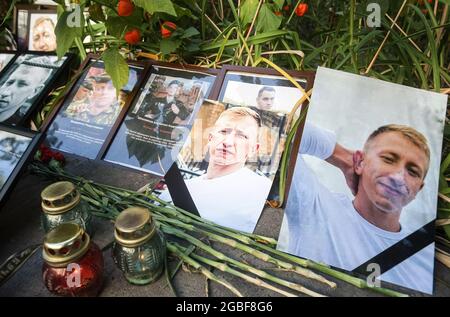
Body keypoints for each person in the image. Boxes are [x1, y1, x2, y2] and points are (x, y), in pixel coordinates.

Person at [281, 123, 434, 293]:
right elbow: (281, 132)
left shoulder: (425, 256)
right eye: (388, 159)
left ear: (418, 189)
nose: (399, 177)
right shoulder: (313, 205)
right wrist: (344, 158)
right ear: (361, 162)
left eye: (413, 172)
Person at [161, 107, 272, 232]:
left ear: (253, 149)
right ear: (210, 138)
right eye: (223, 131)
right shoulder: (171, 192)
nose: (228, 142)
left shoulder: (262, 190)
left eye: (242, 136)